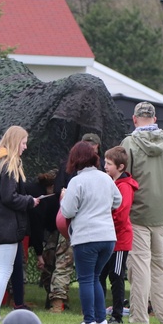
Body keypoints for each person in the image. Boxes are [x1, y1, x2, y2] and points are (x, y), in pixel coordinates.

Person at [121, 102, 163, 324]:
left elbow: (123, 180)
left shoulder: (128, 143)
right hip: (162, 214)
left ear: (135, 119)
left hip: (136, 215)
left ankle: (139, 317)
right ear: (154, 119)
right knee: (160, 267)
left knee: (139, 266)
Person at [0, 126, 40, 322]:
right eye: (23, 142)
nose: (25, 146)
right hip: (6, 226)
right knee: (4, 270)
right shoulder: (9, 164)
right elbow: (9, 197)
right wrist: (29, 201)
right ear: (15, 142)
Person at [60, 141, 121, 324]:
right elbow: (117, 202)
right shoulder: (105, 178)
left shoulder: (76, 182)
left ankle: (89, 320)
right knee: (95, 277)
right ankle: (101, 319)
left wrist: (64, 199)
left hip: (87, 237)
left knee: (86, 278)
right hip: (108, 237)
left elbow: (68, 212)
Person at [47, 134, 101, 313]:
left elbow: (58, 193)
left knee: (68, 264)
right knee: (69, 263)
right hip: (82, 225)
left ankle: (60, 302)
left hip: (72, 223)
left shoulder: (70, 168)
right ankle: (59, 301)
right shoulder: (99, 174)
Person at [100, 145, 138, 324]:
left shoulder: (125, 187)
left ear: (120, 167)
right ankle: (99, 311)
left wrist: (105, 224)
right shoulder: (109, 182)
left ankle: (117, 315)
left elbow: (121, 215)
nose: (105, 166)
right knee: (100, 274)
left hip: (119, 240)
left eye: (109, 164)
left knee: (115, 276)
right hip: (107, 237)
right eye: (105, 162)